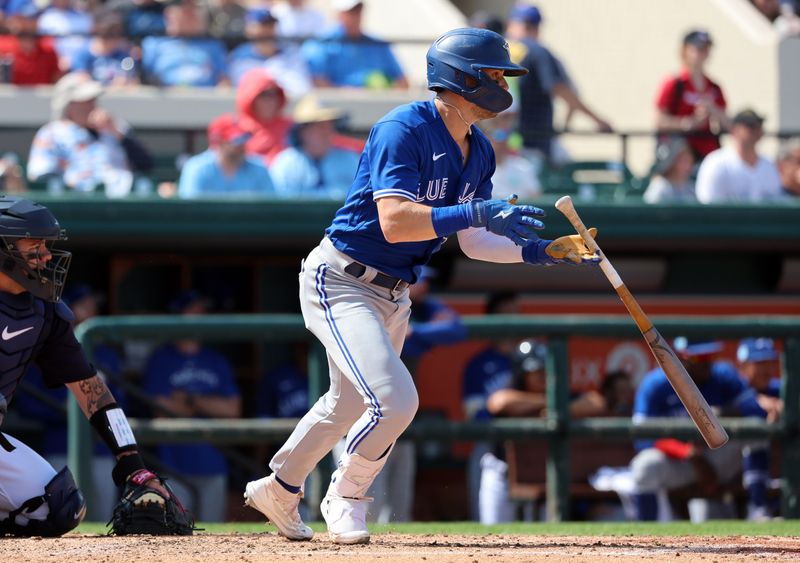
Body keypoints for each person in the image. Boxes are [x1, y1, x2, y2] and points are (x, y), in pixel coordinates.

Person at [243, 27, 599, 544]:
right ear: (459, 78)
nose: (502, 84)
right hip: (342, 278)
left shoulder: (480, 151)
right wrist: (474, 210)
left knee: (344, 405)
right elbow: (395, 222)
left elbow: (474, 241)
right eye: (493, 74)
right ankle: (346, 494)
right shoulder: (403, 127)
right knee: (395, 400)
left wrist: (540, 252)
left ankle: (279, 489)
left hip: (394, 293)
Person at [0, 196, 177, 536]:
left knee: (58, 508)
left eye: (46, 245)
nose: (47, 255)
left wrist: (132, 463)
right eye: (34, 245)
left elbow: (91, 389)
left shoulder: (44, 312)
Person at [11, 284, 124, 522]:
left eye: (93, 304)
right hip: (59, 446)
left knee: (104, 518)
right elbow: (27, 404)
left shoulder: (106, 353)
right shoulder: (43, 347)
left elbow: (120, 400)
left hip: (101, 448)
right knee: (57, 514)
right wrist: (69, 411)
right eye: (85, 305)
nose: (92, 309)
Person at [367, 266, 466, 523]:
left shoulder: (420, 310)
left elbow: (457, 328)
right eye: (419, 281)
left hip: (401, 423)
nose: (424, 287)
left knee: (398, 509)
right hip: (364, 422)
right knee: (367, 508)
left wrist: (417, 331)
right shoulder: (379, 306)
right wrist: (415, 333)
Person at [629, 338, 767, 522]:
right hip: (679, 461)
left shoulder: (722, 376)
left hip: (717, 453)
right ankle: (646, 533)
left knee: (755, 430)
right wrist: (686, 452)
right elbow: (642, 438)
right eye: (698, 359)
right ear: (679, 358)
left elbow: (755, 411)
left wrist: (718, 413)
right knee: (643, 467)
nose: (706, 364)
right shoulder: (655, 384)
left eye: (709, 357)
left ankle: (758, 510)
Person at [143, 290, 242, 522]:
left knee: (213, 534)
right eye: (193, 311)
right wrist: (210, 404)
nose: (200, 315)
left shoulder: (216, 360)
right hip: (173, 464)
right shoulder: (161, 359)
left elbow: (232, 411)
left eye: (202, 311)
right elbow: (162, 410)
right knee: (177, 531)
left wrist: (190, 400)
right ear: (178, 315)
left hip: (213, 461)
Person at [506, 3, 612, 162]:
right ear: (538, 27)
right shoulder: (538, 51)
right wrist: (598, 121)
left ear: (511, 24)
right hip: (532, 143)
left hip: (501, 142)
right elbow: (561, 89)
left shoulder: (500, 52)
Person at [27, 72, 153, 193]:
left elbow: (146, 165)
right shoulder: (52, 133)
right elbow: (41, 177)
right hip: (76, 205)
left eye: (93, 100)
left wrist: (116, 132)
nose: (92, 105)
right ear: (68, 105)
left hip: (123, 204)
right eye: (85, 101)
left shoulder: (115, 127)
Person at [461, 291, 519, 521]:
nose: (512, 319)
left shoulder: (530, 358)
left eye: (515, 314)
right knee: (486, 519)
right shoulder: (478, 364)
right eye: (506, 314)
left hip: (527, 444)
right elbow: (473, 412)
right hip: (490, 445)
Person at [654, 29, 729, 162]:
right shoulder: (674, 84)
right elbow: (659, 120)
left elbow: (728, 124)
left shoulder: (714, 87)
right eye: (698, 48)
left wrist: (712, 110)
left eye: (706, 49)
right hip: (679, 155)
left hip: (707, 153)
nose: (703, 53)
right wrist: (687, 123)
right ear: (685, 51)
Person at [301, 0, 408, 89]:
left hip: (379, 108)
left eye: (358, 10)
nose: (355, 16)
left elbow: (403, 82)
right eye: (350, 12)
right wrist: (347, 94)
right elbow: (318, 82)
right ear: (338, 14)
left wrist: (384, 93)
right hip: (338, 109)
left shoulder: (379, 44)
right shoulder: (321, 44)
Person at [269, 95, 360, 199]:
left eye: (329, 127)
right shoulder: (285, 162)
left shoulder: (349, 159)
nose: (326, 132)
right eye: (320, 127)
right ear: (302, 131)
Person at [737, 337, 782, 520]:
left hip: (767, 463)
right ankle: (758, 506)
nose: (766, 369)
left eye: (769, 362)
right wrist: (757, 401)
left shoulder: (779, 389)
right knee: (756, 433)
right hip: (728, 457)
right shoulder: (732, 386)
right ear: (744, 365)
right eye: (759, 363)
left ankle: (772, 507)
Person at [177, 113, 274, 198]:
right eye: (236, 140)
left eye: (245, 138)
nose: (241, 144)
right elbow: (191, 212)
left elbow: (271, 211)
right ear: (219, 141)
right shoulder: (197, 168)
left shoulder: (259, 169)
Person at [695, 109, 783, 203]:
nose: (756, 130)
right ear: (735, 130)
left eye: (759, 126)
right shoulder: (716, 163)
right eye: (750, 126)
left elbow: (776, 202)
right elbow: (707, 205)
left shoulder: (769, 165)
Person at [226, 6, 311, 96]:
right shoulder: (239, 57)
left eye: (271, 25)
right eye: (262, 25)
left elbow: (302, 88)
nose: (267, 30)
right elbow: (244, 91)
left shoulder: (291, 52)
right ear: (249, 29)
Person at [141, 0, 228, 87]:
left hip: (205, 97)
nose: (190, 14)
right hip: (165, 97)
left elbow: (223, 80)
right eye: (184, 9)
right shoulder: (153, 45)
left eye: (193, 10)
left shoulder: (213, 46)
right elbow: (144, 79)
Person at [478, 104, 541, 200]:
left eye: (504, 135)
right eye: (497, 135)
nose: (500, 140)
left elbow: (536, 197)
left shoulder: (524, 166)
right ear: (486, 137)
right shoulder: (476, 169)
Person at [235, 68, 293, 165]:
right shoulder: (236, 129)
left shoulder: (291, 126)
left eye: (274, 94)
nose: (270, 100)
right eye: (264, 95)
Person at [69, 9, 140, 87]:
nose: (113, 40)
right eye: (108, 35)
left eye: (116, 35)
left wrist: (125, 81)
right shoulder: (84, 53)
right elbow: (81, 79)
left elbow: (133, 81)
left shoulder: (124, 55)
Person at [0, 3, 61, 86]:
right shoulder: (3, 45)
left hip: (42, 97)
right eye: (23, 19)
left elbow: (56, 79)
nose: (28, 24)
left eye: (32, 19)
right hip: (8, 98)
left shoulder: (48, 49)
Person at [642, 137, 696, 203]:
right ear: (672, 161)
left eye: (689, 160)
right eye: (684, 160)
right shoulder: (659, 186)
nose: (688, 165)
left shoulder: (691, 188)